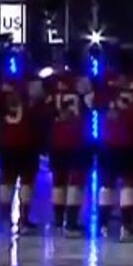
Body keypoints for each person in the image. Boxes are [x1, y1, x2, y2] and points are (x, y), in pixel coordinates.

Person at [96, 49, 133, 241]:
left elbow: (95, 102)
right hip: (132, 140)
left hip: (109, 140)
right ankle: (126, 227)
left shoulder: (105, 82)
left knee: (107, 184)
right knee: (129, 184)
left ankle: (102, 225)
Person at [0, 59, 46, 232]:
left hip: (7, 140)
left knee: (6, 180)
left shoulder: (3, 88)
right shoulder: (34, 89)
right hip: (28, 141)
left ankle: (3, 218)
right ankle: (24, 218)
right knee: (27, 181)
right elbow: (40, 114)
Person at [48, 49, 94, 237]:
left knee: (58, 180)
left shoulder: (53, 82)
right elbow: (93, 104)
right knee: (76, 179)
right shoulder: (83, 82)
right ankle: (72, 221)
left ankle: (58, 220)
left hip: (57, 137)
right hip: (77, 138)